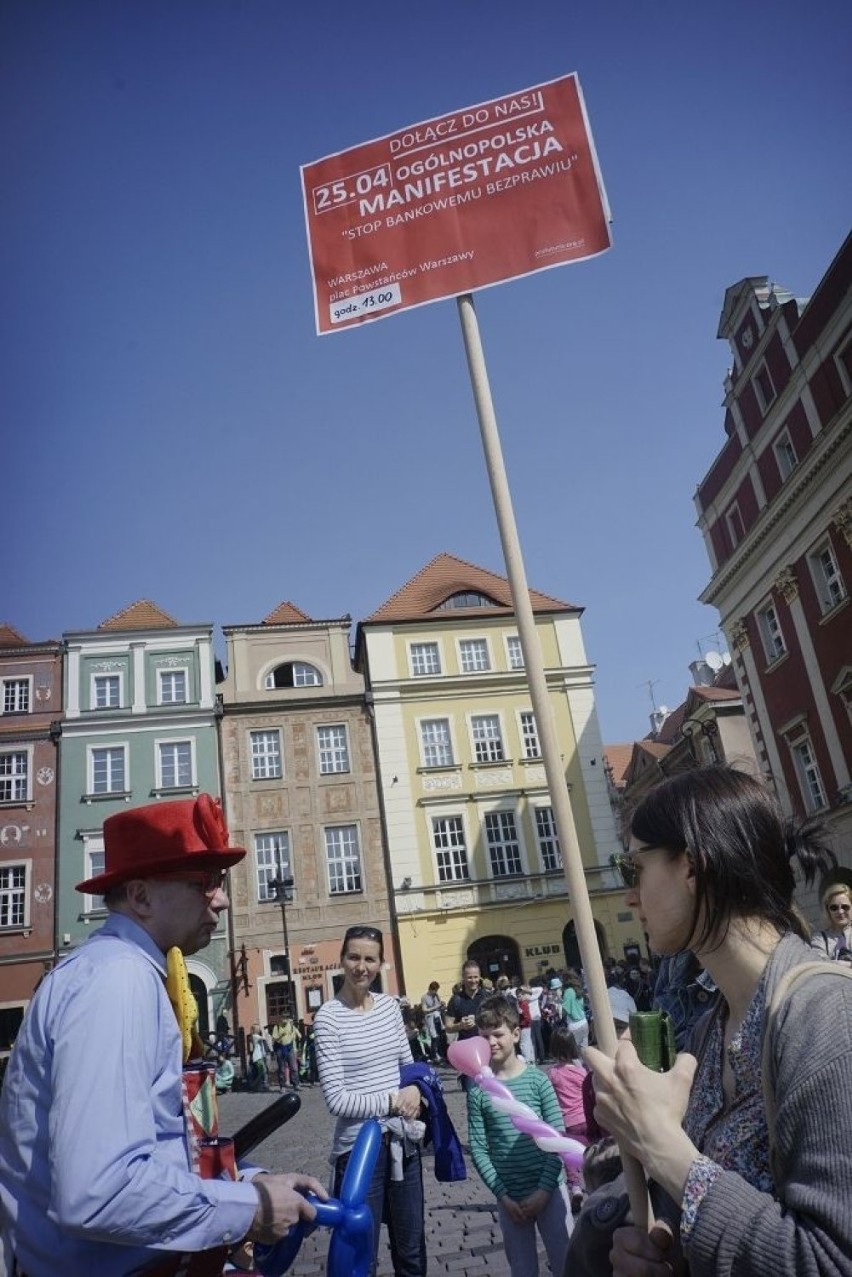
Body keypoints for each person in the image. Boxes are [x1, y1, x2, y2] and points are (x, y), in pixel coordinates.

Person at [0, 794, 325, 1277]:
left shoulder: (123, 972)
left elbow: (156, 1143)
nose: (223, 898)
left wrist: (248, 1182)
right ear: (141, 896)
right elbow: (99, 1191)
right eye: (204, 883)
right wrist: (249, 1208)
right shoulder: (118, 981)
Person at [584, 766, 852, 1277]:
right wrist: (668, 1245)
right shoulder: (713, 1027)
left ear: (690, 866)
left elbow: (832, 1260)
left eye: (632, 867)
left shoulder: (826, 1015)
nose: (629, 895)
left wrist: (660, 1146)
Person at [314, 925, 426, 1277]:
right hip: (359, 1151)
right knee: (363, 1256)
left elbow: (409, 1067)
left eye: (370, 959)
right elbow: (337, 1100)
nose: (361, 966)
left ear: (380, 964)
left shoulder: (391, 1007)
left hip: (404, 1143)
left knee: (412, 1252)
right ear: (343, 960)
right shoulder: (328, 1018)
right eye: (354, 957)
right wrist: (395, 1099)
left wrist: (417, 1089)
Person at [467, 994, 572, 1277]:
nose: (491, 1042)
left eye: (498, 1034)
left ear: (515, 1034)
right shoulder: (478, 1090)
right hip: (510, 1194)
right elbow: (478, 1146)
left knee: (566, 1262)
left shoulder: (539, 1080)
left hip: (549, 1190)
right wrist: (502, 1194)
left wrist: (544, 1189)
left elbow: (557, 1138)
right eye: (484, 1036)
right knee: (522, 1268)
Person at [545, 1026, 588, 1212]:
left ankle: (575, 1187)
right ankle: (593, 1184)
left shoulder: (553, 1074)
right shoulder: (581, 1072)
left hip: (567, 1122)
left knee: (569, 1157)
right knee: (588, 1153)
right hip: (585, 1119)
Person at [444, 959, 488, 1090]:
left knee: (492, 1095)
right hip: (468, 1056)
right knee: (472, 1093)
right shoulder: (456, 1000)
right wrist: (460, 1026)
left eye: (475, 977)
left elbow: (497, 1022)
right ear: (463, 978)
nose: (473, 980)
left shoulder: (487, 997)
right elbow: (448, 1027)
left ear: (479, 977)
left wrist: (479, 1021)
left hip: (488, 1050)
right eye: (469, 977)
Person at [811, 868, 852, 962]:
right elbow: (820, 965)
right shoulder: (819, 939)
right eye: (834, 908)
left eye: (845, 907)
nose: (840, 911)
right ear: (827, 910)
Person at [271, 1012, 302, 1089]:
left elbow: (296, 1032)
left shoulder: (291, 1025)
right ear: (281, 1018)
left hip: (289, 1048)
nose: (285, 1019)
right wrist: (281, 1036)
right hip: (280, 1048)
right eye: (283, 1018)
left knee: (294, 1067)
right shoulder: (277, 1027)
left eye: (286, 1018)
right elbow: (274, 1039)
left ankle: (296, 1084)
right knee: (281, 1068)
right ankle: (282, 1086)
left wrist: (299, 1036)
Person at [419, 980, 447, 1062]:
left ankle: (440, 1054)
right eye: (435, 990)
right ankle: (434, 1055)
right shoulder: (424, 997)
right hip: (430, 1018)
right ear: (431, 989)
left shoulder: (436, 995)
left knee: (440, 1036)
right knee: (434, 1037)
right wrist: (435, 1008)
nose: (436, 992)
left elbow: (439, 1005)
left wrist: (442, 1005)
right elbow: (424, 1010)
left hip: (438, 1017)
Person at [561, 971, 588, 1049]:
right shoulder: (578, 990)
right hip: (584, 1022)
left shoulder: (568, 992)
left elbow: (565, 1010)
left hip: (574, 1025)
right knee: (584, 1050)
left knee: (574, 1052)